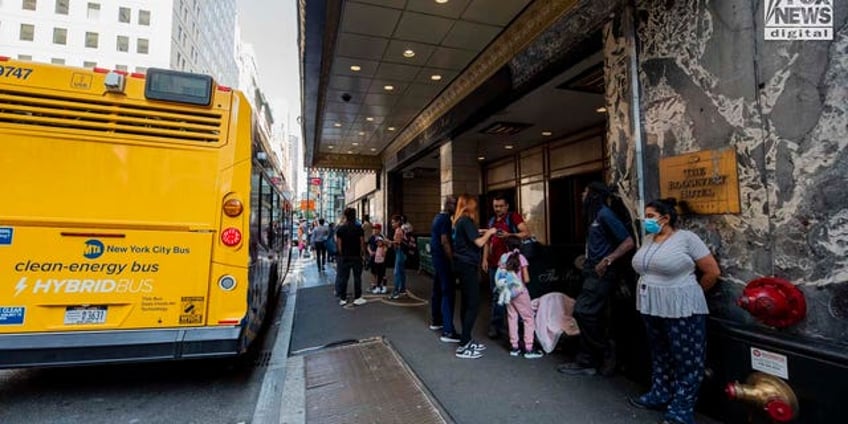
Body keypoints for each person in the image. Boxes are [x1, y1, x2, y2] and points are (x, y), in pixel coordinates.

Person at [626, 198, 720, 424]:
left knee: (687, 358)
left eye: (649, 216)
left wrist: (691, 292)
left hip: (681, 306)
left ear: (665, 218)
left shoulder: (687, 239)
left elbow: (712, 272)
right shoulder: (649, 239)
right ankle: (660, 393)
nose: (645, 220)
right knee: (660, 352)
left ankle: (682, 407)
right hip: (652, 305)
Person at [558, 182, 634, 376]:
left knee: (583, 311)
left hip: (602, 272)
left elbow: (628, 241)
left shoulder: (605, 214)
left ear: (593, 195)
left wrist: (608, 259)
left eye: (584, 191)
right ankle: (587, 360)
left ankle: (604, 350)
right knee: (592, 314)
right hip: (591, 269)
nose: (582, 194)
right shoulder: (594, 216)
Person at [452, 194, 498, 359]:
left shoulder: (460, 221)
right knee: (473, 303)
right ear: (469, 206)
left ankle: (467, 339)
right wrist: (491, 232)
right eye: (474, 206)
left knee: (466, 302)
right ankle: (464, 345)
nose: (476, 209)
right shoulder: (466, 220)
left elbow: (471, 235)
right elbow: (478, 243)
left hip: (462, 265)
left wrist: (481, 231)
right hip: (467, 266)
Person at [482, 193, 530, 339]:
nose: (498, 209)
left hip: (510, 265)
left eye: (501, 206)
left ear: (507, 206)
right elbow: (487, 242)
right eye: (495, 206)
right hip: (493, 264)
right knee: (496, 295)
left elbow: (526, 233)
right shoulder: (491, 221)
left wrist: (509, 235)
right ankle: (499, 326)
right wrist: (484, 259)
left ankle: (510, 327)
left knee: (512, 295)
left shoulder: (513, 217)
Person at [496, 236, 543, 359]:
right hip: (520, 292)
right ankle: (528, 348)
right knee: (528, 318)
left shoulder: (503, 257)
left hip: (507, 293)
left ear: (507, 246)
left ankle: (514, 347)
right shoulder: (521, 258)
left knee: (512, 317)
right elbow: (526, 279)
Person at [430, 195, 460, 343]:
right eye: (456, 205)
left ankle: (437, 321)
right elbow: (445, 241)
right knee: (448, 293)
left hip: (436, 259)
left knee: (437, 290)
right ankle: (448, 331)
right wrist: (452, 259)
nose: (457, 208)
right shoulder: (445, 220)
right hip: (443, 260)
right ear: (449, 205)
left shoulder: (437, 217)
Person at [335, 207, 367, 306]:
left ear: (345, 216)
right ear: (354, 215)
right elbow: (362, 243)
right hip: (356, 256)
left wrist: (342, 254)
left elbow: (339, 245)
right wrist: (363, 254)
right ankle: (358, 297)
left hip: (345, 256)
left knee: (344, 277)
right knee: (357, 277)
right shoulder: (359, 228)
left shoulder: (341, 229)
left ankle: (343, 298)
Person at [388, 215, 408, 299]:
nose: (392, 224)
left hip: (399, 252)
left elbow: (397, 242)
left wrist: (388, 242)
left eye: (393, 222)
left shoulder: (398, 231)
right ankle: (402, 289)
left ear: (398, 222)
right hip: (402, 252)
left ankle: (395, 292)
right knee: (402, 272)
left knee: (397, 272)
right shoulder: (400, 230)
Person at [367, 223, 387, 293]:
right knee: (373, 271)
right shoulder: (372, 237)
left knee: (381, 272)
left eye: (376, 229)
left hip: (380, 258)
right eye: (374, 229)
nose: (375, 230)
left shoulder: (382, 237)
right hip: (373, 257)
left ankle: (381, 285)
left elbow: (385, 247)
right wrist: (370, 252)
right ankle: (374, 285)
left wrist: (383, 253)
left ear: (380, 230)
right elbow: (368, 246)